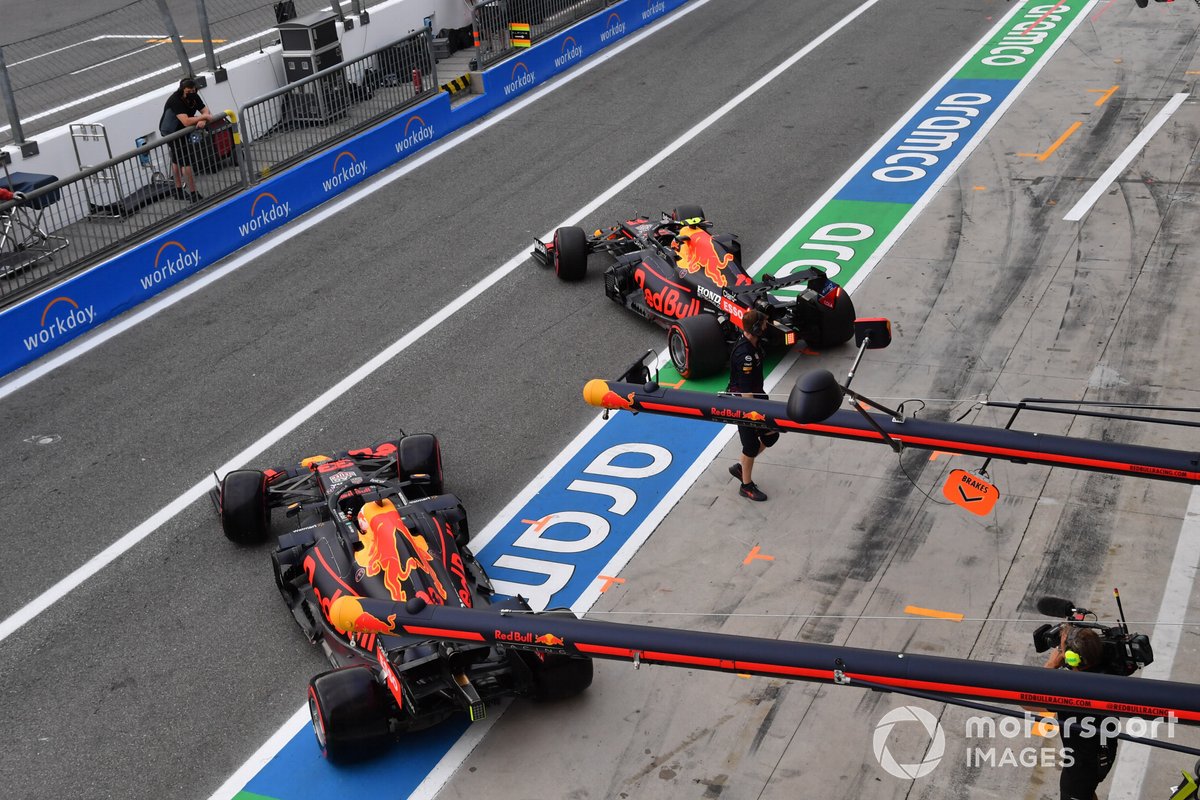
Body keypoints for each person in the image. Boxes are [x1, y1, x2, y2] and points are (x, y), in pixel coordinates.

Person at [1043, 626, 1120, 800]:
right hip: (1104, 753)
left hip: (1082, 767)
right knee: (1087, 793)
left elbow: (1026, 701)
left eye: (1061, 649)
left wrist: (1051, 665)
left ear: (1072, 659)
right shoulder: (1108, 669)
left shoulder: (1072, 692)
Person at [726, 308, 779, 501]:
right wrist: (757, 415)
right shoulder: (745, 355)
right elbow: (746, 393)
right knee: (750, 446)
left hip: (757, 396)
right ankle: (746, 486)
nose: (766, 326)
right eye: (763, 324)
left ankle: (742, 467)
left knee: (772, 436)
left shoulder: (754, 344)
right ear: (756, 328)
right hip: (745, 404)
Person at [162, 78, 213, 202]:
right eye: (188, 91)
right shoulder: (175, 100)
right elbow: (186, 121)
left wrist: (202, 119)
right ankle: (194, 194)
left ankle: (178, 191)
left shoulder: (194, 96)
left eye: (193, 90)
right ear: (182, 90)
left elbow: (205, 111)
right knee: (186, 163)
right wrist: (203, 117)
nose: (191, 93)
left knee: (176, 159)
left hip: (181, 131)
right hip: (172, 132)